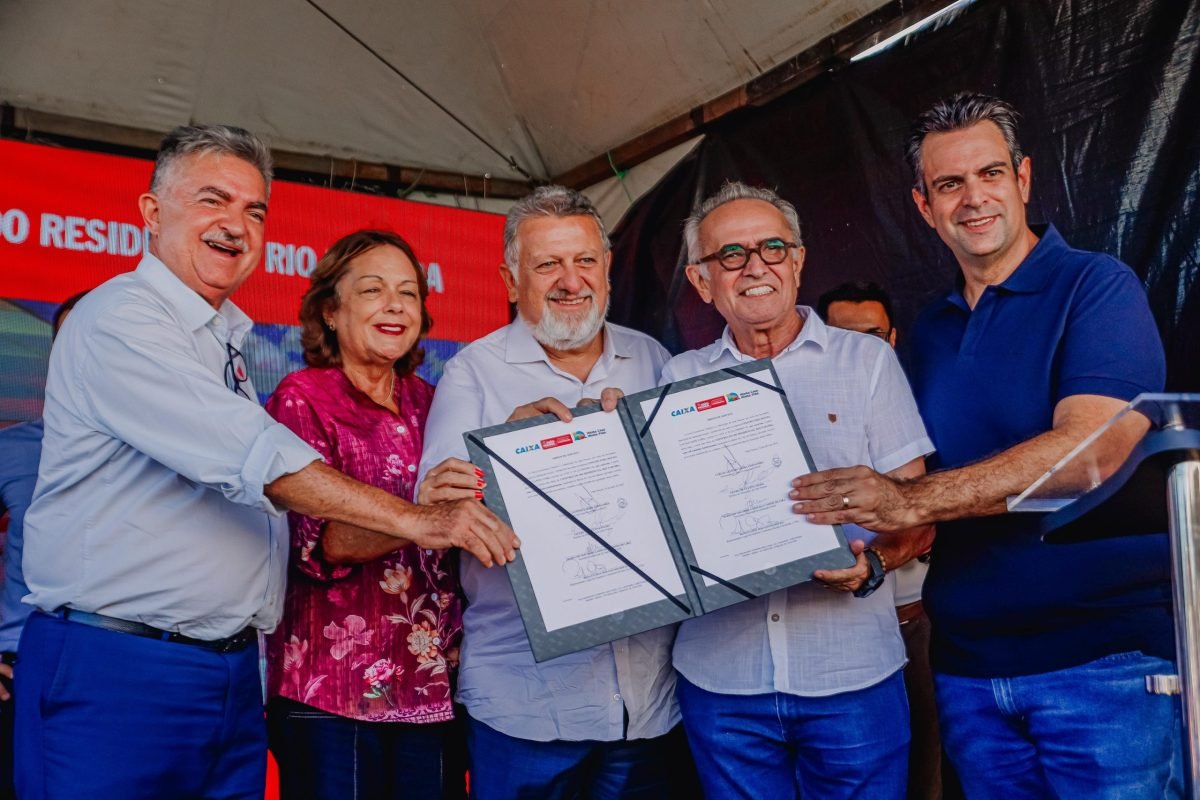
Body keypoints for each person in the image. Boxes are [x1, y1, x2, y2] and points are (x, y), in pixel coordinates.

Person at [16, 124, 517, 800]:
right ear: (152, 212)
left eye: (254, 210)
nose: (236, 224)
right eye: (212, 200)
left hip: (225, 670)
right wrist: (421, 519)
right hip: (122, 665)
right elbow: (253, 457)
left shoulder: (222, 341)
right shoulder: (120, 320)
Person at [792, 92, 1180, 799]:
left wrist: (906, 500)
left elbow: (1092, 453)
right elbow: (923, 501)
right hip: (969, 671)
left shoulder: (1095, 286)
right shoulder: (929, 332)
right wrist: (875, 559)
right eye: (949, 183)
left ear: (1023, 178)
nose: (973, 198)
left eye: (990, 174)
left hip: (1102, 665)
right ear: (924, 206)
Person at [418, 185, 694, 799]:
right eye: (548, 265)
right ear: (510, 280)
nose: (571, 281)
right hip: (527, 707)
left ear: (607, 268)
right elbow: (438, 511)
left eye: (585, 260)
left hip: (652, 704)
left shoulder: (653, 360)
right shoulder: (472, 372)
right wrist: (506, 450)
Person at [666, 181, 934, 799]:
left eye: (772, 248)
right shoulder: (677, 379)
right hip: (721, 681)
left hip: (852, 673)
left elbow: (919, 514)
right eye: (731, 254)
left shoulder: (867, 362)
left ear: (798, 260)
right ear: (702, 281)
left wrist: (873, 566)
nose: (755, 266)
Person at [264, 229, 480, 798]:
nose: (395, 305)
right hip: (331, 690)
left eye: (408, 293)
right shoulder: (302, 398)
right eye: (373, 290)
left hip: (433, 686)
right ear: (330, 311)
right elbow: (320, 543)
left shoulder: (435, 402)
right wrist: (422, 513)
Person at [818, 280, 944, 800]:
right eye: (842, 334)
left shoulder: (925, 402)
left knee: (924, 768)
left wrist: (886, 554)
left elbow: (939, 507)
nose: (858, 347)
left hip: (913, 617)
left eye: (871, 335)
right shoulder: (793, 403)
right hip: (827, 626)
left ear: (892, 338)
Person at [0, 291, 87, 800]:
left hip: (126, 674)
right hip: (18, 675)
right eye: (70, 340)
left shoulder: (169, 453)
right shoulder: (13, 448)